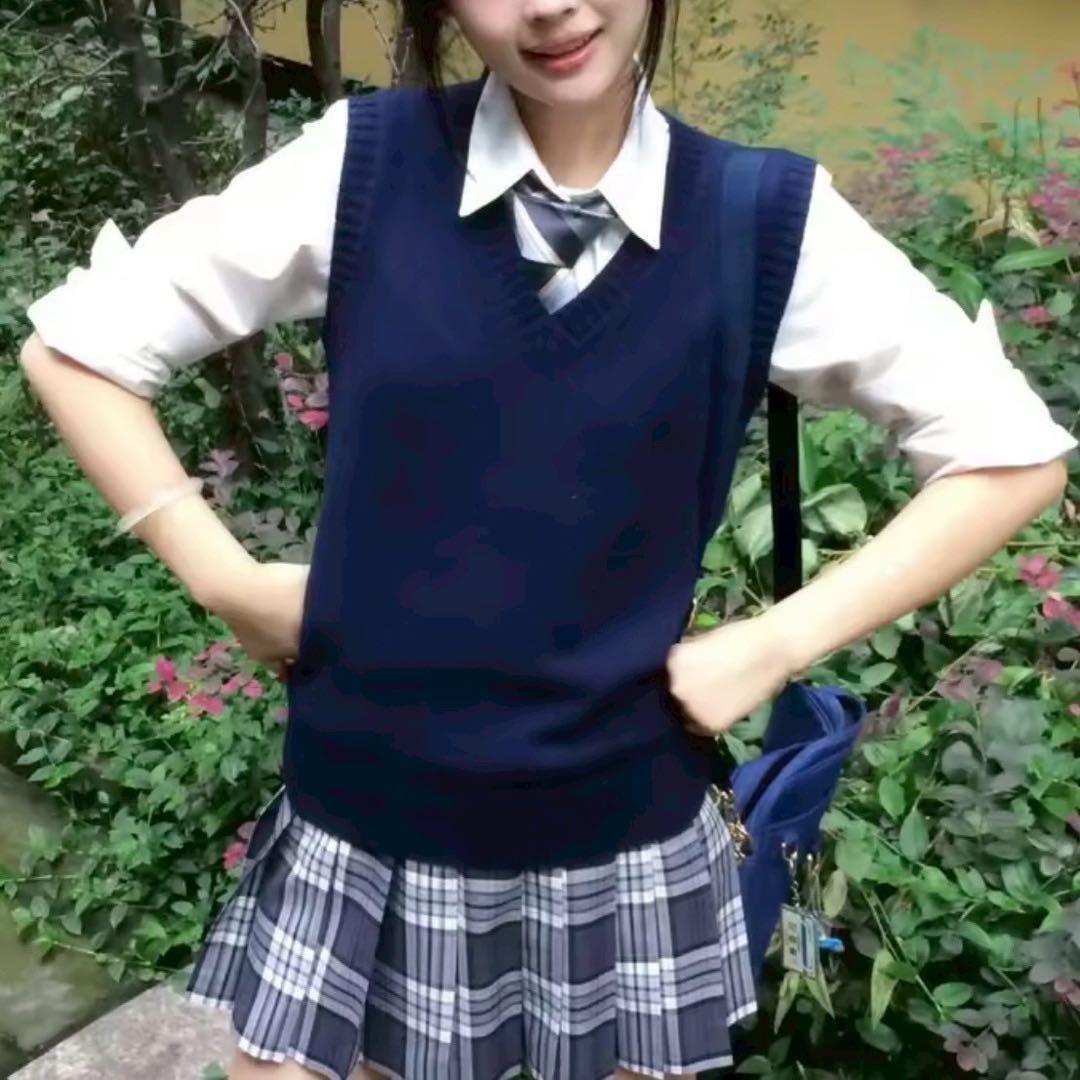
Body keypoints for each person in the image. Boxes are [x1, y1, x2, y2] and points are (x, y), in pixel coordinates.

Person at [17, 0, 1076, 1077]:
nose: (550, 6)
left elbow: (1008, 454)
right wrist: (222, 578)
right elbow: (78, 348)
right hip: (367, 830)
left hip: (627, 840)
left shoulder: (760, 219)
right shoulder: (366, 167)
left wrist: (772, 645)